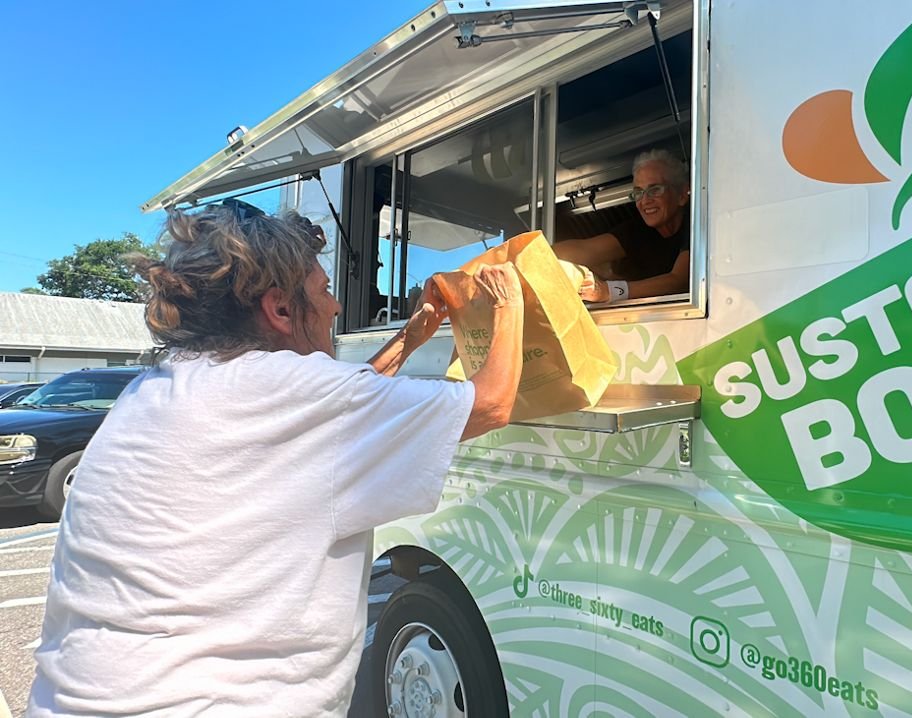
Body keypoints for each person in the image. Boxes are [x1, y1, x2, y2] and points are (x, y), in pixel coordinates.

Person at [27, 199, 524, 717]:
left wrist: (411, 337)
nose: (336, 307)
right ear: (281, 309)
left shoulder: (159, 387)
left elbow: (336, 408)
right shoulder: (299, 392)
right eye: (324, 291)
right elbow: (491, 403)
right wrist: (510, 303)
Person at [553, 148, 691, 303]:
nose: (645, 201)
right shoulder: (639, 229)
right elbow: (586, 249)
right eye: (638, 193)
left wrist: (608, 291)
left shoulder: (697, 224)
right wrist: (538, 254)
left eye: (655, 190)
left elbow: (679, 280)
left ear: (682, 195)